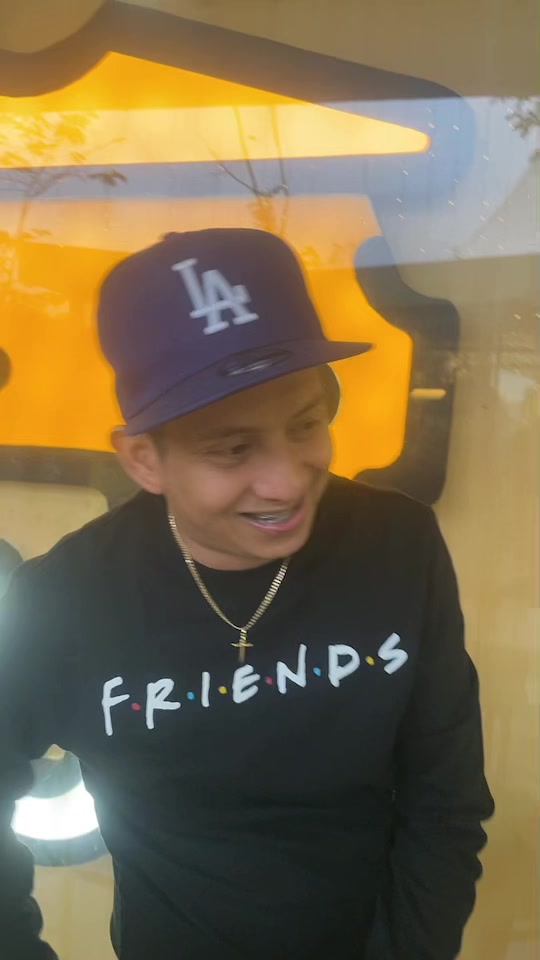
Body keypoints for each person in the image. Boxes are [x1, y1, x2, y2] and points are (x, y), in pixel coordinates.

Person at [0, 228, 494, 960]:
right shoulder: (65, 598)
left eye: (306, 425)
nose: (287, 481)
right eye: (233, 449)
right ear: (144, 458)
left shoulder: (399, 545)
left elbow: (445, 800)